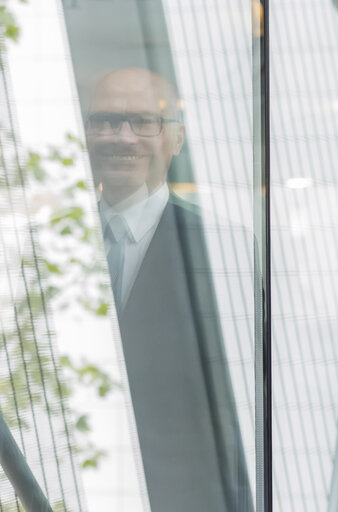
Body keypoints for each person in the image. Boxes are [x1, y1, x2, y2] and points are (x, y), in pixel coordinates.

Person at [86, 67, 253, 511]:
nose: (122, 137)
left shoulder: (223, 248)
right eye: (104, 121)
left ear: (176, 140)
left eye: (144, 122)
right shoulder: (41, 246)